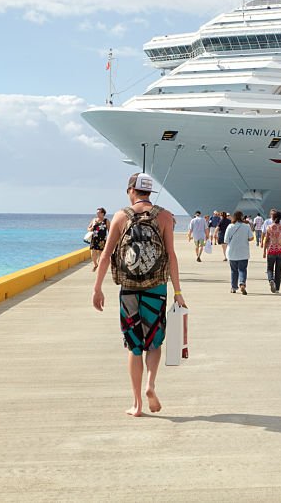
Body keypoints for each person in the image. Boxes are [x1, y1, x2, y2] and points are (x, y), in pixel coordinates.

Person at [92, 172, 185, 417]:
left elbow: (105, 255)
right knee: (154, 342)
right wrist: (177, 291)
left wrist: (97, 288)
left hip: (129, 289)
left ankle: (137, 405)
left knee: (134, 346)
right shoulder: (165, 216)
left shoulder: (121, 216)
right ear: (149, 193)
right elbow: (171, 256)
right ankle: (150, 385)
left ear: (130, 190)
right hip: (156, 287)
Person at [223, 210, 253, 295]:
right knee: (242, 269)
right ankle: (242, 283)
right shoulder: (246, 226)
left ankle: (233, 287)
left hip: (232, 252)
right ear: (242, 217)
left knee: (233, 270)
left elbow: (226, 240)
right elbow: (251, 238)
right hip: (243, 252)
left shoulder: (230, 226)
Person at [263, 210, 281, 293]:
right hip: (280, 251)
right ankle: (277, 288)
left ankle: (271, 280)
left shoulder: (269, 227)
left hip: (271, 250)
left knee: (270, 269)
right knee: (278, 270)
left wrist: (264, 251)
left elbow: (266, 240)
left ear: (273, 217)